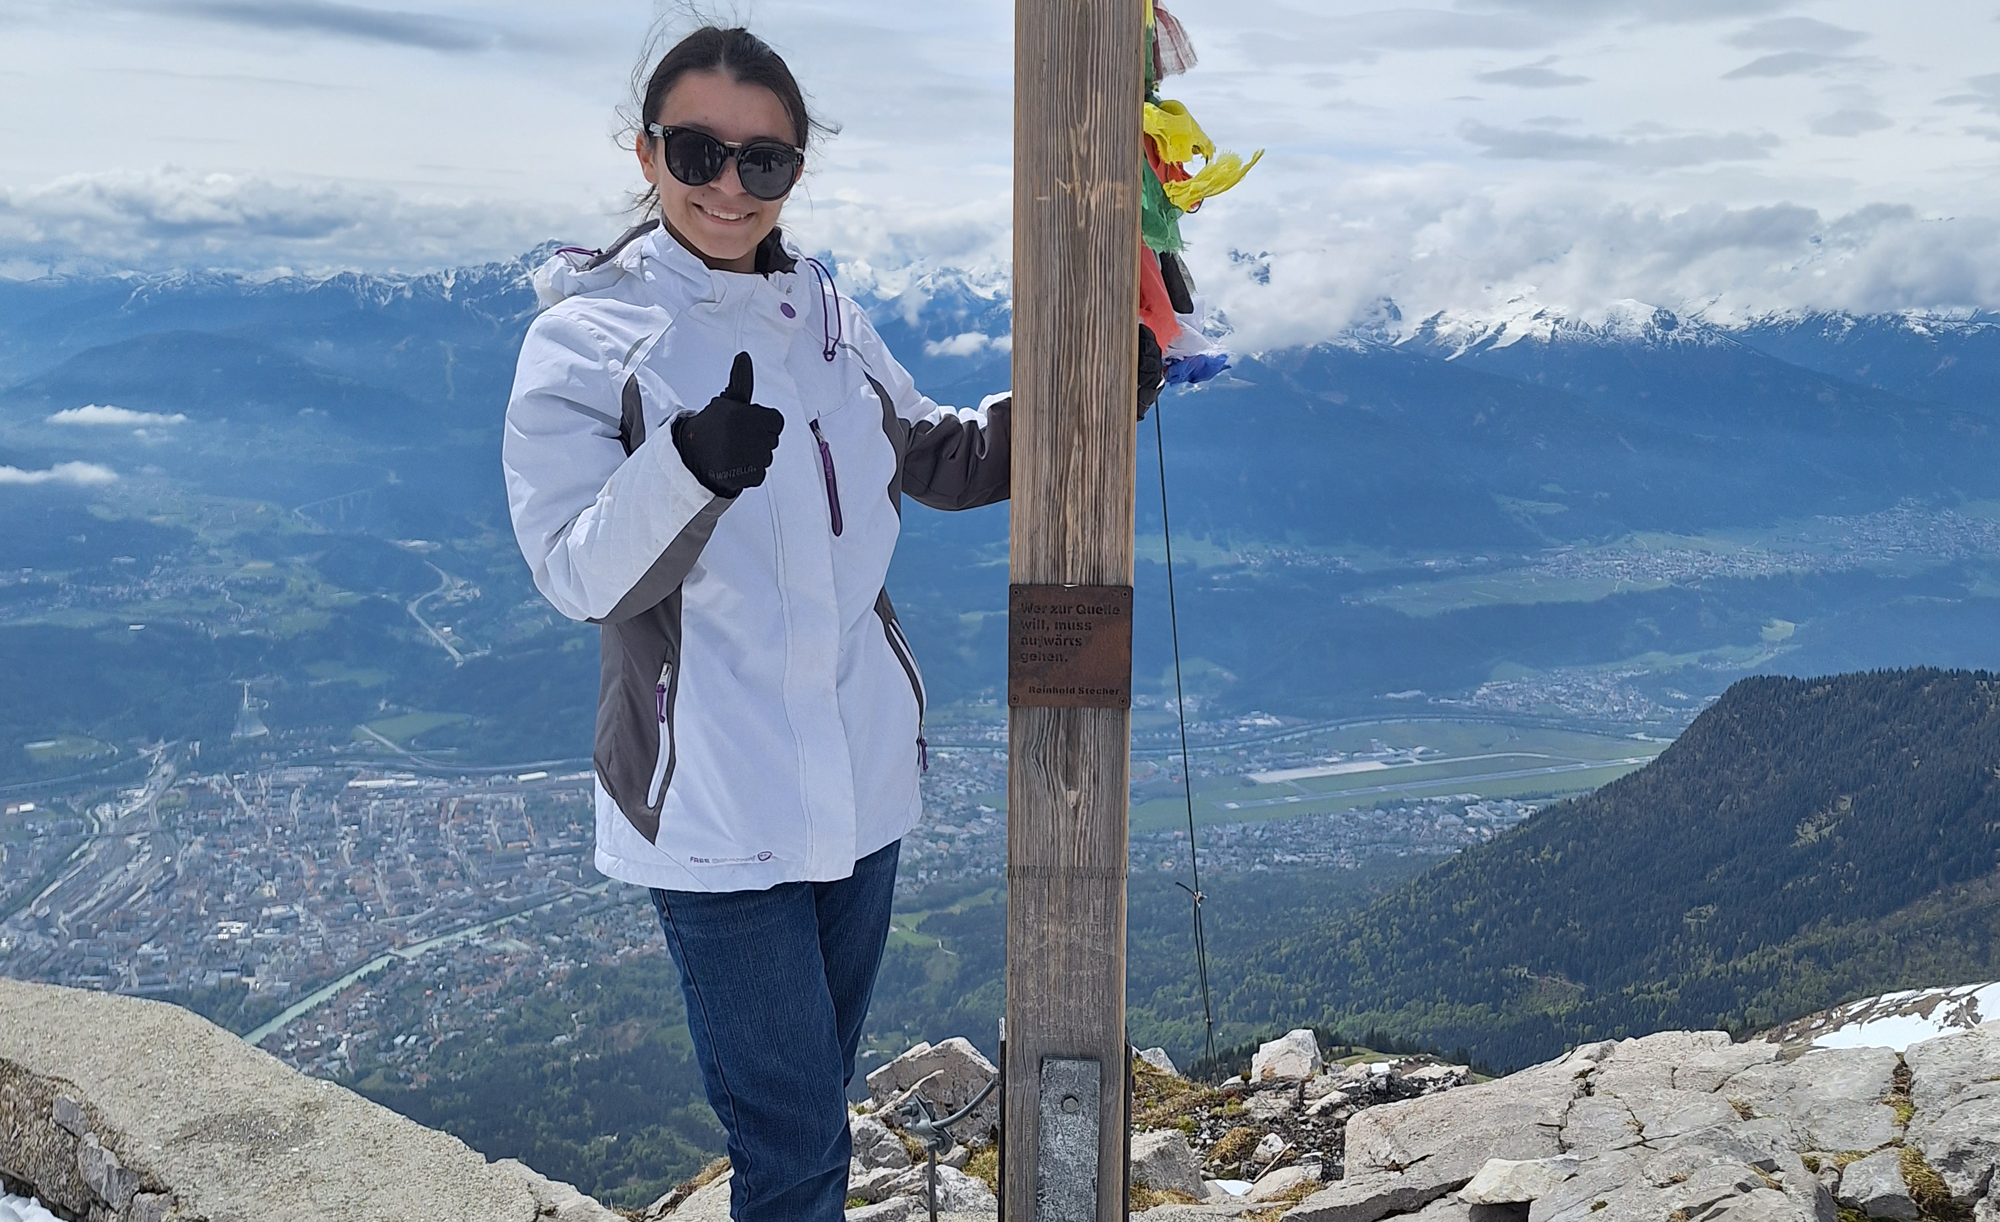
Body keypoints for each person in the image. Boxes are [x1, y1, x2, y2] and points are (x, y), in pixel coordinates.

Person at [502, 25, 1163, 1222]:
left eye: (763, 162)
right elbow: (573, 572)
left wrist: (1082, 394)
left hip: (858, 787)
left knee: (815, 1107)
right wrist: (687, 465)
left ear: (794, 174)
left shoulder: (827, 319)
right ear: (646, 151)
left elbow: (943, 456)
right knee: (796, 1141)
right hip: (707, 801)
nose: (726, 184)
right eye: (697, 150)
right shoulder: (586, 338)